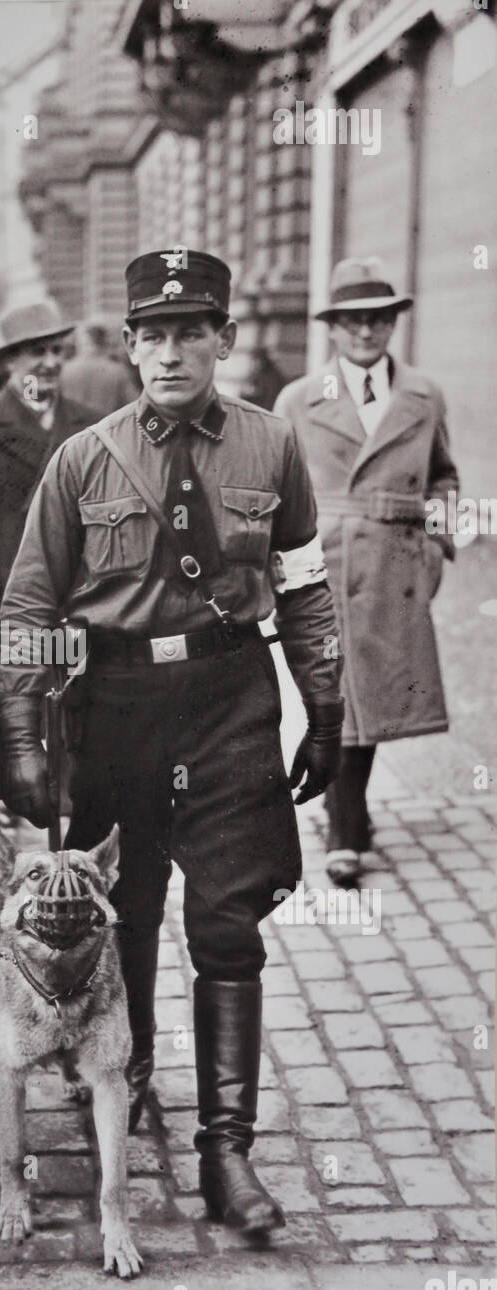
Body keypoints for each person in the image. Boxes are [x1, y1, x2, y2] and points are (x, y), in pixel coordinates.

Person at [0, 249, 344, 1239]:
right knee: (127, 908)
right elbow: (26, 602)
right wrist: (24, 735)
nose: (172, 351)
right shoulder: (83, 459)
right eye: (153, 332)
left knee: (229, 922)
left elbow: (307, 584)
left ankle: (227, 1152)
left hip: (232, 698)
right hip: (117, 704)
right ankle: (132, 1073)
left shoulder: (273, 448)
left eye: (194, 331)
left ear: (224, 341)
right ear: (130, 343)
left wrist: (326, 705)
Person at [274, 258, 459, 887]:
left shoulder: (424, 394)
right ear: (333, 328)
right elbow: (283, 486)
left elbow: (443, 475)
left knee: (374, 696)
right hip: (328, 561)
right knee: (342, 692)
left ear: (393, 324)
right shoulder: (299, 399)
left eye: (377, 320)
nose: (365, 332)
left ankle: (345, 812)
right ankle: (346, 824)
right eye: (352, 321)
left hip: (397, 563)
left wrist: (437, 542)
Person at [0, 302, 97, 617]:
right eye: (38, 352)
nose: (51, 362)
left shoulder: (94, 425)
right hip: (11, 591)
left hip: (82, 593)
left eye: (58, 351)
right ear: (11, 359)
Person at [61, 319, 139, 418]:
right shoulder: (117, 371)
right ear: (104, 342)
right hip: (105, 429)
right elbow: (134, 405)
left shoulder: (65, 369)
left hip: (71, 429)